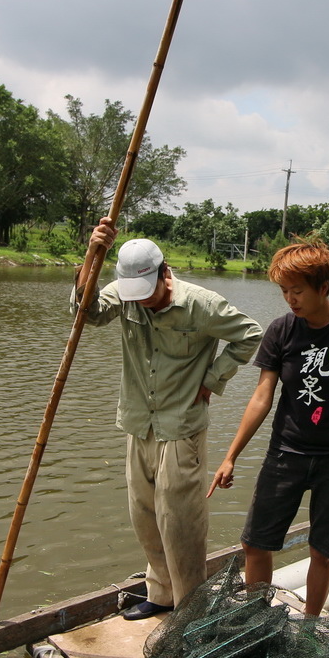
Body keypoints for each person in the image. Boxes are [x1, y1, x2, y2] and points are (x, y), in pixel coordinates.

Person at [74, 217, 263, 621]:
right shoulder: (124, 295)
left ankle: (191, 611)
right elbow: (87, 312)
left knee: (180, 523)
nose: (142, 301)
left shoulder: (201, 304)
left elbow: (250, 334)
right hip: (138, 422)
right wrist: (92, 255)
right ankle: (160, 593)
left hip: (181, 426)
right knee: (143, 515)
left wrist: (212, 379)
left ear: (166, 274)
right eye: (134, 294)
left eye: (149, 292)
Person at [207, 238, 329, 617]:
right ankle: (255, 619)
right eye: (284, 291)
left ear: (323, 287)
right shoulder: (281, 330)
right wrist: (230, 456)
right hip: (286, 453)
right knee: (256, 544)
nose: (290, 299)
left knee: (323, 551)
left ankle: (308, 626)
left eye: (297, 290)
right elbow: (262, 396)